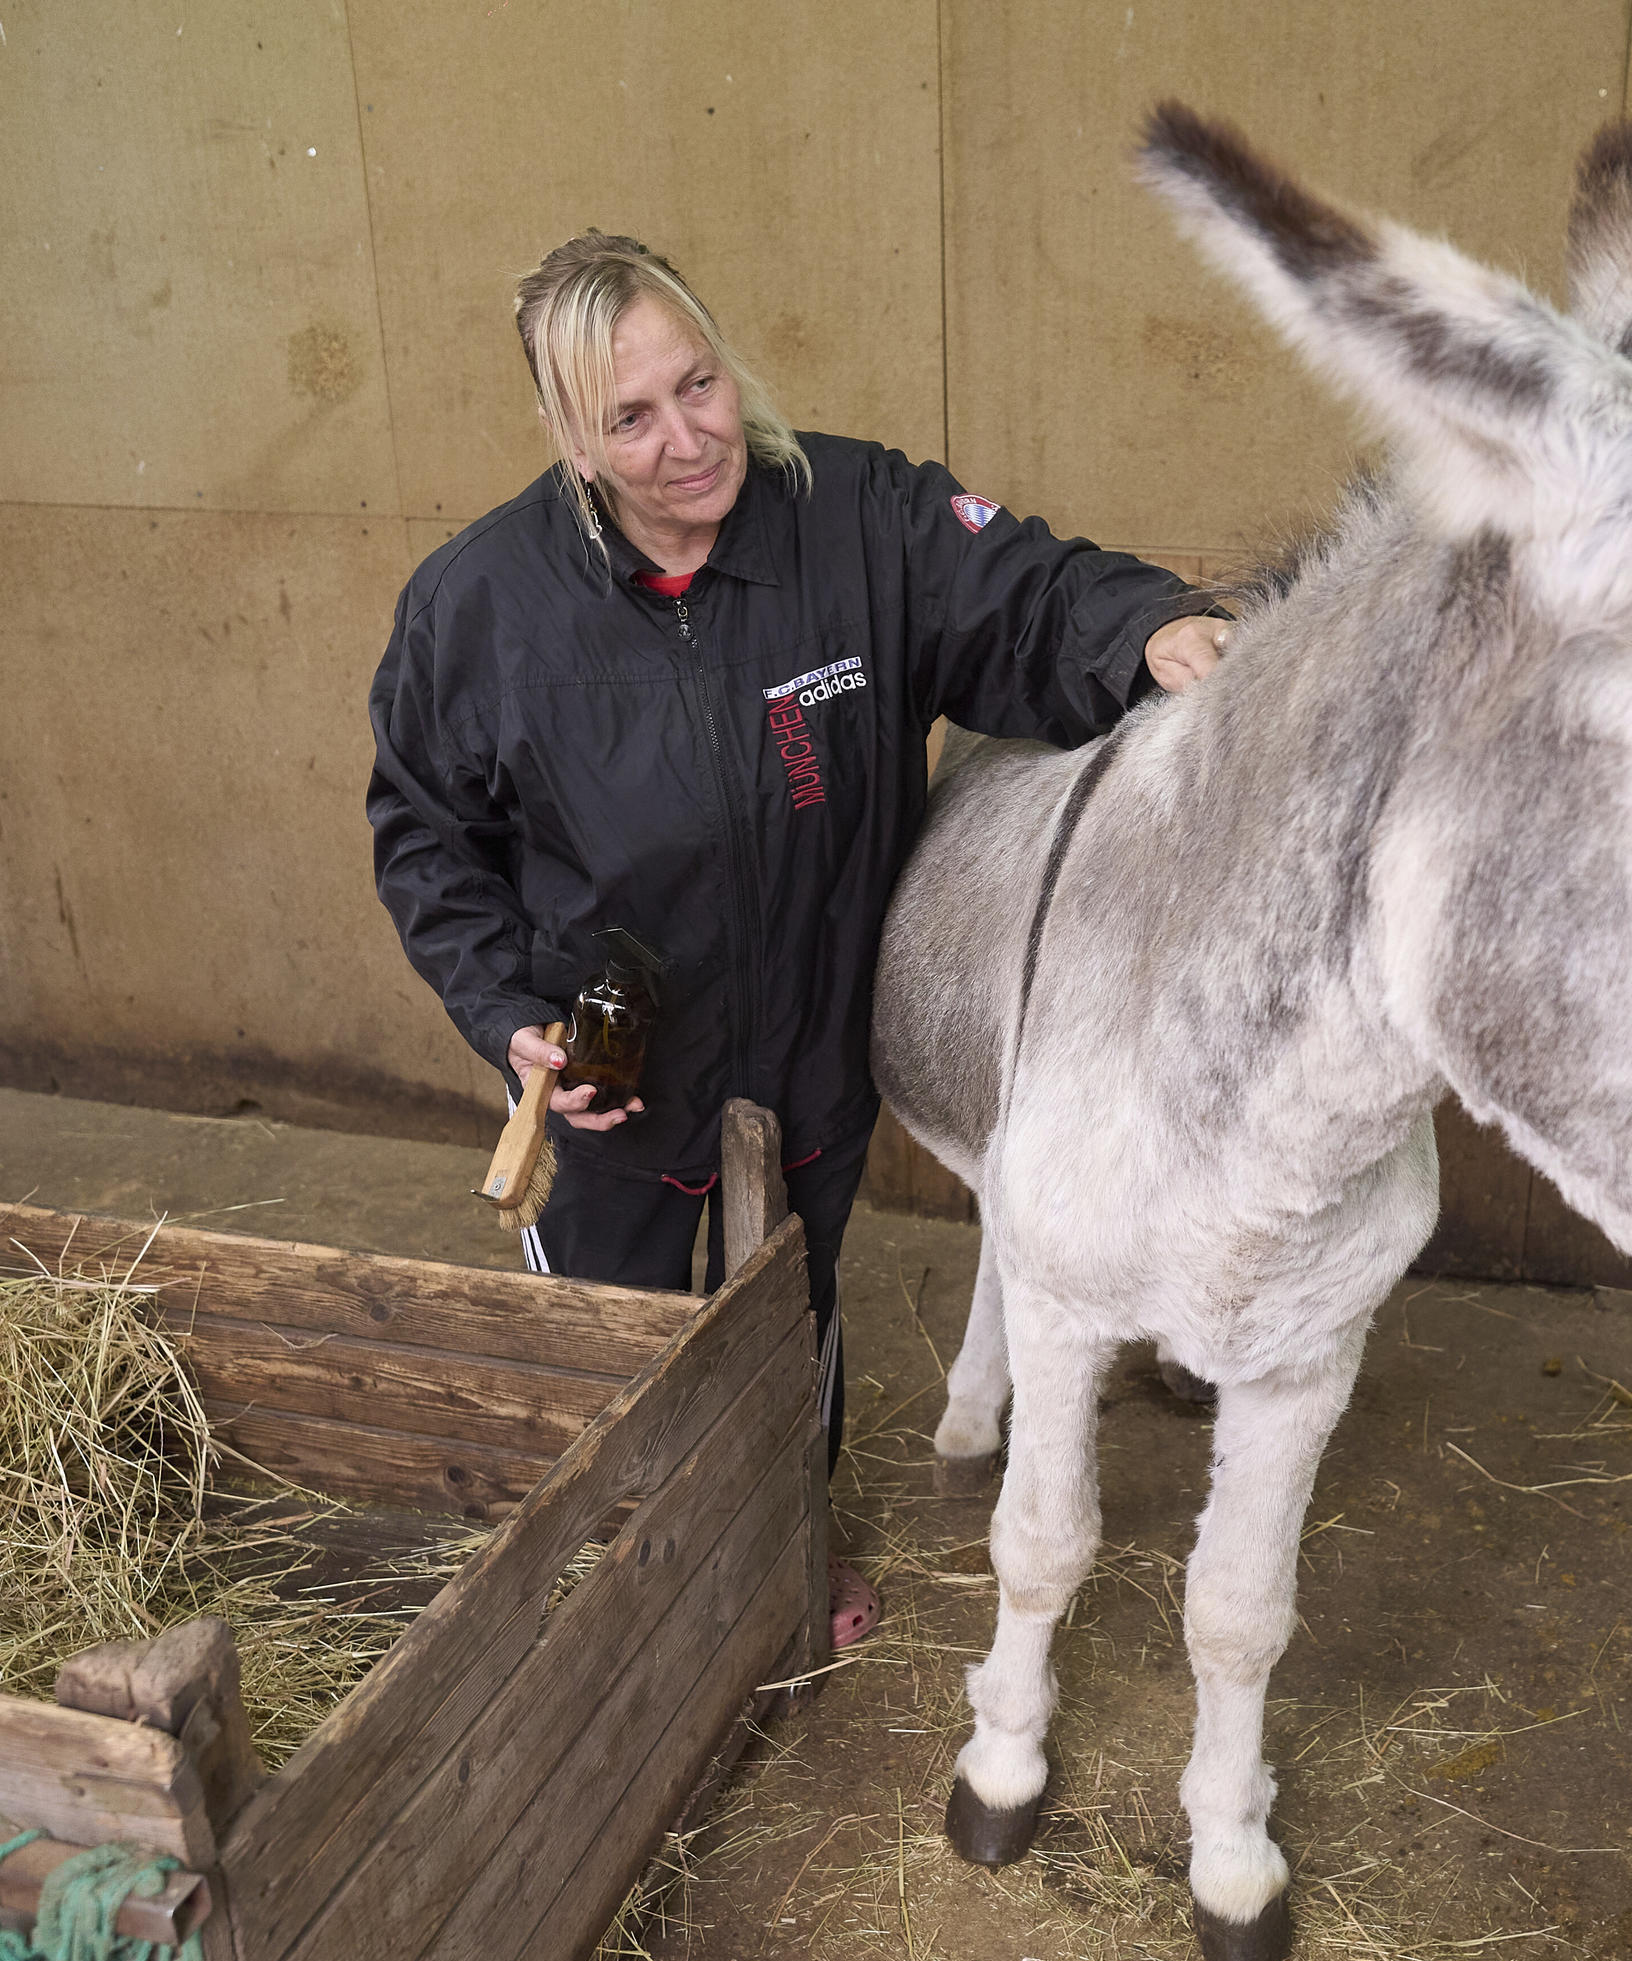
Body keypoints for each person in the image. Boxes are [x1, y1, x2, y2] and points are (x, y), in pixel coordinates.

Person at [367, 231, 1230, 1647]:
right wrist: (499, 1008)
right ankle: (625, 1598)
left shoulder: (856, 519)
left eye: (695, 384)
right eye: (627, 419)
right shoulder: (480, 607)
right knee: (616, 1347)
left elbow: (1027, 591)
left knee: (795, 1313)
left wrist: (1150, 631)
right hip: (613, 1071)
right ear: (567, 441)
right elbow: (423, 832)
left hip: (809, 1045)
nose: (685, 439)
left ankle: (781, 1547)